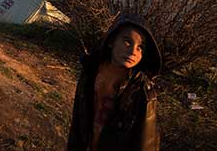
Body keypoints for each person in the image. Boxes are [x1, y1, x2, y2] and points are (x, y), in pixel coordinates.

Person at [67, 14, 161, 151]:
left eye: (140, 47)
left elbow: (146, 142)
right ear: (111, 41)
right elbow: (78, 120)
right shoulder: (90, 71)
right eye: (127, 41)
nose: (133, 52)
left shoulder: (142, 91)